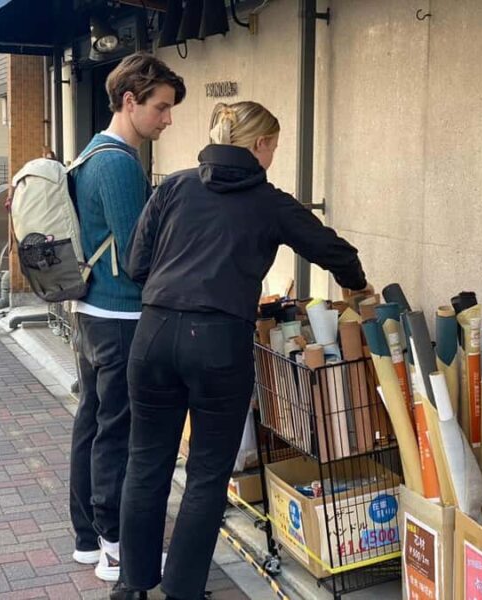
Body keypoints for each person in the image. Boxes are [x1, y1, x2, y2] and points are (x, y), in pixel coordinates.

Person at [112, 101, 371, 600]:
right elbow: (336, 251)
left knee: (146, 463)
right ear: (260, 145)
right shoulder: (269, 201)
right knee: (207, 473)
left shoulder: (176, 185)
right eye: (275, 143)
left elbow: (135, 263)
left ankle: (131, 586)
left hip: (155, 334)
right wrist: (358, 288)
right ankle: (183, 591)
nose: (275, 153)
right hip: (219, 342)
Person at [68, 52, 186, 583]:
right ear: (130, 101)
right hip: (118, 314)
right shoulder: (116, 163)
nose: (167, 119)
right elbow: (144, 254)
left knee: (94, 422)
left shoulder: (91, 153)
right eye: (160, 107)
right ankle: (115, 546)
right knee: (117, 430)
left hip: (94, 310)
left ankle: (88, 539)